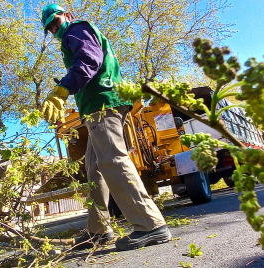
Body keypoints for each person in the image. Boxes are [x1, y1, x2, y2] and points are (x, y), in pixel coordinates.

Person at [40, 4, 171, 251]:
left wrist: (64, 88)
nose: (54, 28)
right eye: (50, 28)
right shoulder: (71, 35)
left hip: (104, 104)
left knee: (112, 160)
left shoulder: (76, 29)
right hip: (94, 108)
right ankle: (98, 230)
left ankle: (151, 225)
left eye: (55, 21)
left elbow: (89, 58)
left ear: (67, 15)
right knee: (94, 169)